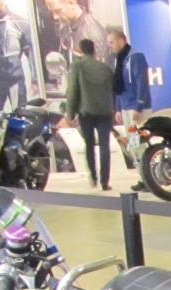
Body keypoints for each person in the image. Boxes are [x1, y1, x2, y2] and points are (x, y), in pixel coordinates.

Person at [64, 37, 114, 190]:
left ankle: (93, 177)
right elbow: (113, 90)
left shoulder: (78, 65)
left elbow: (73, 90)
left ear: (80, 50)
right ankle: (105, 182)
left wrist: (70, 113)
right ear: (94, 50)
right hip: (105, 112)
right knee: (105, 146)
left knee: (90, 145)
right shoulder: (105, 68)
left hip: (87, 112)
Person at [107, 26, 150, 191]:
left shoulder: (136, 57)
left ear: (122, 40)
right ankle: (144, 177)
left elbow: (142, 82)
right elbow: (119, 86)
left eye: (112, 42)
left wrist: (139, 106)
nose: (110, 46)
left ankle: (149, 178)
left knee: (139, 144)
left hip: (136, 109)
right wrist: (118, 108)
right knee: (133, 145)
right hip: (126, 108)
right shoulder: (119, 60)